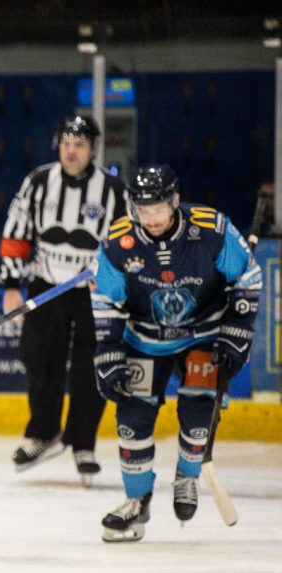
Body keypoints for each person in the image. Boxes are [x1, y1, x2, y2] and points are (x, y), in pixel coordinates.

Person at [91, 165, 261, 542]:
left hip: (203, 334)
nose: (150, 219)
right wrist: (108, 349)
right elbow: (104, 299)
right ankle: (137, 501)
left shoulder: (212, 229)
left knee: (199, 413)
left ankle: (188, 474)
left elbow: (248, 278)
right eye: (142, 210)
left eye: (158, 209)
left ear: (175, 202)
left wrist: (237, 330)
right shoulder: (118, 242)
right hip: (144, 337)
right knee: (132, 418)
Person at [0, 115, 128, 485]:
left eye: (80, 144)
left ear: (94, 149)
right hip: (47, 286)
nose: (71, 151)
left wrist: (118, 286)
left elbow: (127, 244)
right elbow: (16, 232)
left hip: (95, 295)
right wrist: (11, 285)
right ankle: (43, 432)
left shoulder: (114, 191)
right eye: (66, 143)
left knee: (92, 366)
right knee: (38, 357)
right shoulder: (39, 182)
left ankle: (83, 443)